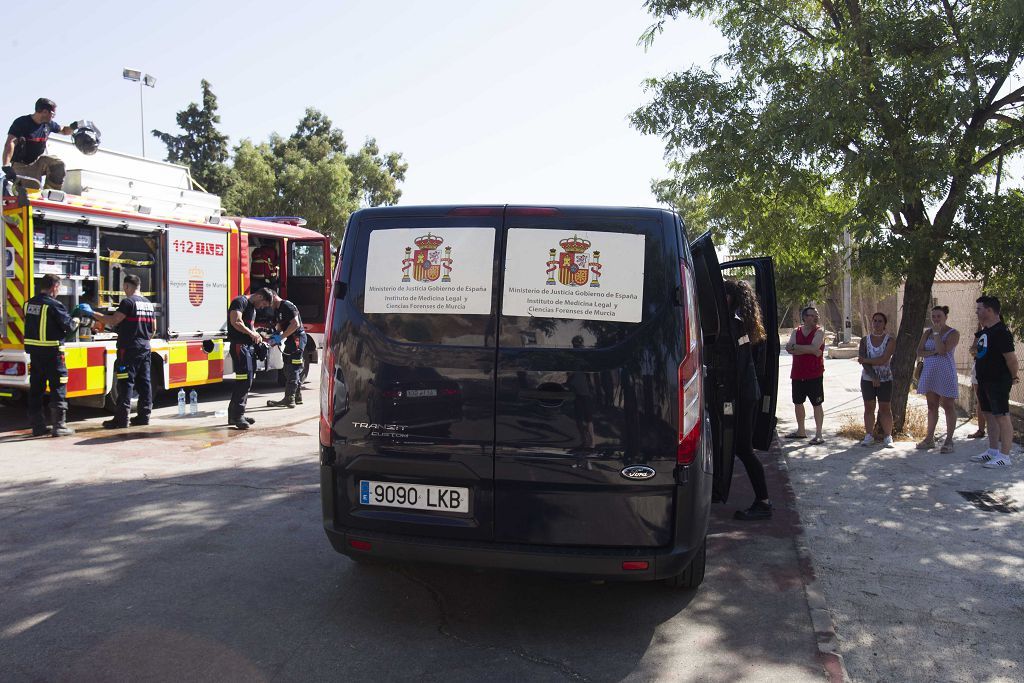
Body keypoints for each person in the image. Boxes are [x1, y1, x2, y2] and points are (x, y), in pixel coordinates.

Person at [725, 280, 773, 520]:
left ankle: (763, 502)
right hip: (745, 393)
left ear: (732, 298)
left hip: (743, 395)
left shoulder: (735, 325)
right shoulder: (739, 324)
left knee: (744, 448)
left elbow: (737, 364)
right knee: (738, 447)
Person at [90, 274, 156, 428]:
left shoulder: (128, 302)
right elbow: (153, 329)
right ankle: (144, 416)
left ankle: (121, 419)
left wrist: (92, 313)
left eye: (124, 288)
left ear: (127, 286)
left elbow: (113, 320)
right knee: (144, 383)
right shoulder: (148, 304)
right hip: (145, 348)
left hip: (128, 350)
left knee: (125, 382)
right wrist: (143, 339)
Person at [24, 274, 84, 436]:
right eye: (59, 287)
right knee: (58, 386)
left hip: (35, 354)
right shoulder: (54, 305)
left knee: (36, 389)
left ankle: (38, 426)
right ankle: (59, 426)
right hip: (53, 354)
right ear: (54, 287)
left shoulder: (28, 304)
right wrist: (78, 318)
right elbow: (70, 326)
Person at [970, 296, 1019, 468]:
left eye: (979, 309)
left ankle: (1005, 456)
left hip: (998, 380)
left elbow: (1012, 360)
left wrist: (1013, 377)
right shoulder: (985, 332)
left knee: (1002, 416)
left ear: (989, 310)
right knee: (989, 415)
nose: (977, 312)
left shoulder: (1001, 332)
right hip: (984, 380)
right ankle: (992, 451)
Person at [3, 98, 78, 190]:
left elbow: (64, 130)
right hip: (22, 165)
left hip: (39, 161)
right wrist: (6, 165)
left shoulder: (48, 124)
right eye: (53, 114)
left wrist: (74, 126)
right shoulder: (21, 123)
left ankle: (51, 192)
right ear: (45, 112)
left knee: (58, 164)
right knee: (30, 193)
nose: (53, 116)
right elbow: (10, 143)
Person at [915, 305, 959, 453]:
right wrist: (932, 351)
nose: (935, 319)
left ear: (945, 317)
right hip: (930, 372)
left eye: (939, 316)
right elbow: (919, 351)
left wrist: (936, 335)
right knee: (931, 406)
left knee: (948, 406)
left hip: (946, 373)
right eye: (933, 316)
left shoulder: (953, 333)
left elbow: (942, 350)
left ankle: (949, 440)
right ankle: (929, 438)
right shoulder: (926, 333)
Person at [225, 289, 271, 430]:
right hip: (239, 346)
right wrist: (252, 333)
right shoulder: (240, 302)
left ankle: (236, 414)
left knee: (247, 381)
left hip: (247, 347)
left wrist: (259, 337)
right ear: (259, 296)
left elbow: (249, 326)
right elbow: (236, 321)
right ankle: (237, 416)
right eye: (263, 303)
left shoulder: (252, 308)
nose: (262, 307)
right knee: (244, 380)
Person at [254, 288, 307, 408]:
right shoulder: (278, 310)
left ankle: (289, 399)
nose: (267, 306)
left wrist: (281, 337)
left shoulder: (287, 306)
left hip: (297, 339)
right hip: (291, 340)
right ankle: (297, 396)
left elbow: (295, 324)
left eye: (268, 303)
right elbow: (279, 325)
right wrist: (275, 336)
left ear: (273, 297)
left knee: (293, 368)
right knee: (288, 366)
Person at [785, 306, 825, 445]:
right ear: (805, 317)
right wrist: (810, 350)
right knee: (798, 402)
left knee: (817, 403)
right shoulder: (796, 331)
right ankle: (801, 431)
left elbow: (815, 347)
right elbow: (789, 348)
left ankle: (818, 434)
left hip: (814, 374)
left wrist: (798, 348)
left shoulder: (819, 331)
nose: (815, 317)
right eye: (812, 315)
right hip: (797, 373)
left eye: (816, 315)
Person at [857, 312, 896, 447]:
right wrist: (873, 376)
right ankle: (869, 435)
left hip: (885, 378)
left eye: (880, 321)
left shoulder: (890, 341)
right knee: (869, 407)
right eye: (875, 321)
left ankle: (888, 436)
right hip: (868, 378)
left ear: (884, 324)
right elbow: (862, 361)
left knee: (885, 408)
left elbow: (883, 359)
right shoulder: (864, 340)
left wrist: (866, 360)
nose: (877, 323)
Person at [968, 321, 987, 439]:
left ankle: (998, 431)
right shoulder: (979, 334)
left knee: (994, 400)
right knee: (981, 400)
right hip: (978, 367)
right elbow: (972, 350)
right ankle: (980, 430)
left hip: (994, 370)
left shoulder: (999, 333)